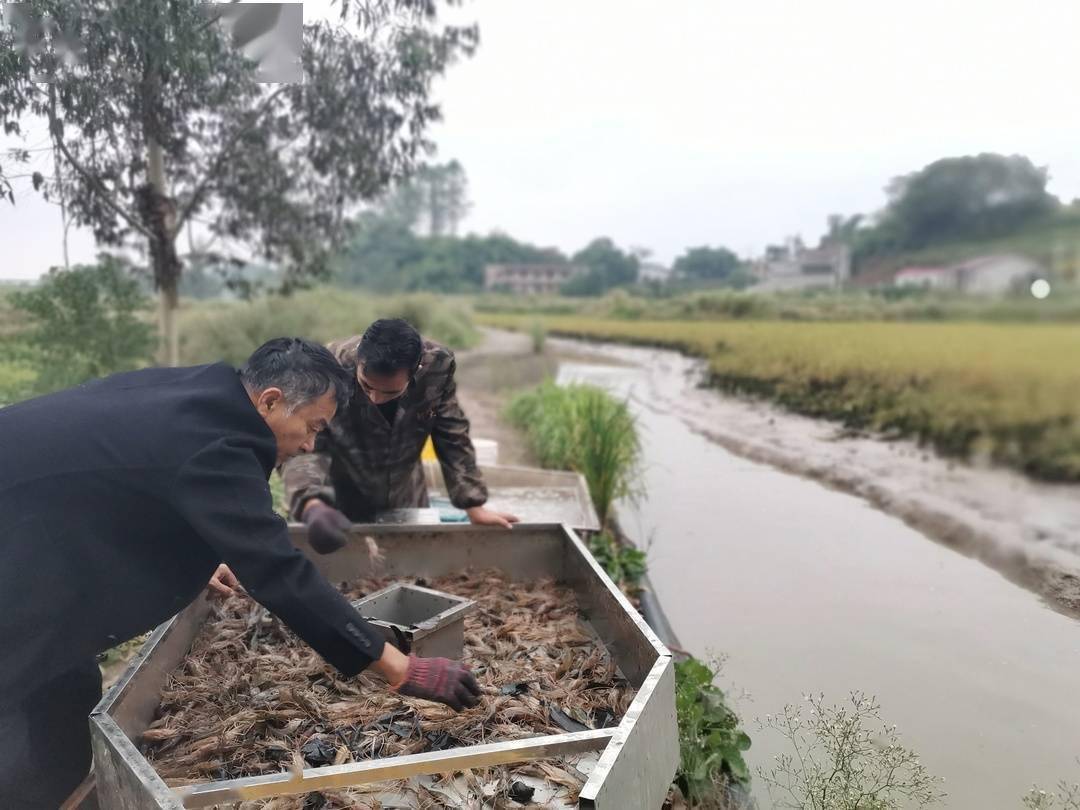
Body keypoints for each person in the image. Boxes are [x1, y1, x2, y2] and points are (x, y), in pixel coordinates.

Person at [0, 337, 481, 810]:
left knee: (62, 687)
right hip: (18, 557)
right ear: (271, 401)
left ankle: (51, 797)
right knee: (17, 694)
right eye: (312, 427)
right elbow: (278, 571)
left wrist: (201, 552)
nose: (310, 443)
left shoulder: (206, 391)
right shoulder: (219, 445)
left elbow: (133, 484)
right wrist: (399, 666)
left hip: (36, 528)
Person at [282, 319, 518, 552]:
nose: (375, 398)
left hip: (405, 492)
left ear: (415, 372)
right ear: (359, 363)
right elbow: (303, 440)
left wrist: (473, 504)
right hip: (336, 496)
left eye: (390, 392)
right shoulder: (328, 368)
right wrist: (311, 505)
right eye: (366, 386)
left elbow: (451, 432)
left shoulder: (438, 365)